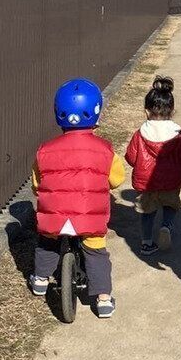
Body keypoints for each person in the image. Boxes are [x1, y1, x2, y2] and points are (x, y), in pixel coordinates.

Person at [30, 78, 125, 319]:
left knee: (48, 242)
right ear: (96, 112)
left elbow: (37, 184)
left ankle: (40, 279)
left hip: (55, 216)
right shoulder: (105, 149)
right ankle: (103, 300)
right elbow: (117, 179)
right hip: (89, 218)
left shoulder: (45, 150)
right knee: (96, 251)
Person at [125, 76, 181, 256]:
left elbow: (131, 157)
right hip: (171, 182)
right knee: (170, 206)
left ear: (146, 111)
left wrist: (138, 164)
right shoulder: (178, 135)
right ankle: (166, 227)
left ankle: (146, 243)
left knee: (147, 213)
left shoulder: (140, 134)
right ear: (172, 111)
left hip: (147, 184)